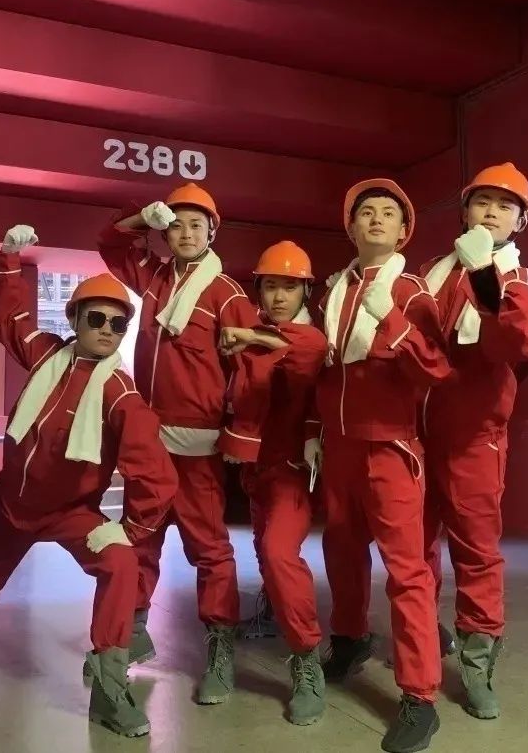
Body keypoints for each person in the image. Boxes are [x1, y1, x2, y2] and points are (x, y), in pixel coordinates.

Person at [0, 225, 179, 739]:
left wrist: (130, 531)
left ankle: (109, 685)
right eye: (97, 318)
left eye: (119, 324)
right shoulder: (48, 355)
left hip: (71, 513)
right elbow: (11, 321)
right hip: (10, 503)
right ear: (74, 319)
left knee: (120, 564)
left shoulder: (121, 395)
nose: (108, 330)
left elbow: (157, 477)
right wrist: (9, 260)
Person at [98, 182, 260, 704]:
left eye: (196, 224)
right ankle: (132, 631)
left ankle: (220, 646)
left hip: (198, 444)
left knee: (208, 548)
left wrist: (239, 435)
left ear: (212, 233)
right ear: (164, 233)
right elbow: (110, 244)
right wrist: (140, 220)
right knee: (140, 538)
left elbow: (252, 368)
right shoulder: (154, 277)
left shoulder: (226, 293)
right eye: (176, 225)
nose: (186, 233)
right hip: (150, 437)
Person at [313, 180, 454, 753]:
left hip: (392, 449)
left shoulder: (412, 290)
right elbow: (324, 371)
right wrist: (314, 432)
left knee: (407, 571)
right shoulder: (334, 291)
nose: (375, 219)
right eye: (365, 212)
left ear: (403, 231)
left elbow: (437, 370)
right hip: (340, 447)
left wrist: (393, 322)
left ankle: (420, 696)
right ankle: (350, 640)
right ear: (350, 228)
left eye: (387, 213)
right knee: (341, 551)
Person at [419, 163, 528, 720]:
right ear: (465, 210)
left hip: (474, 439)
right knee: (415, 550)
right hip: (416, 435)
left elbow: (520, 343)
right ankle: (422, 640)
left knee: (476, 552)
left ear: (519, 221)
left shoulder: (514, 279)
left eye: (504, 205)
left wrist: (486, 279)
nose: (491, 212)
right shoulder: (432, 271)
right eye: (482, 201)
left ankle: (477, 660)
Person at [216, 241, 329, 725]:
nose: (279, 296)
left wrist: (249, 336)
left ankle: (306, 659)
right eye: (270, 286)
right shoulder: (253, 336)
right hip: (254, 467)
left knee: (280, 553)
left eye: (289, 287)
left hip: (290, 470)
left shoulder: (304, 338)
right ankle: (271, 612)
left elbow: (303, 350)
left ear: (305, 292)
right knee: (265, 551)